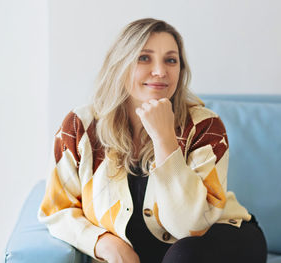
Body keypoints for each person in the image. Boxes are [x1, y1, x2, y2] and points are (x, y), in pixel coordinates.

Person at [38, 18, 267, 263]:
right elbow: (58, 209)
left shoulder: (205, 127)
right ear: (120, 65)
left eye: (171, 60)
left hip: (216, 241)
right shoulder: (79, 128)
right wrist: (103, 243)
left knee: (184, 255)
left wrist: (164, 138)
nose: (160, 71)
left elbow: (189, 227)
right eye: (144, 58)